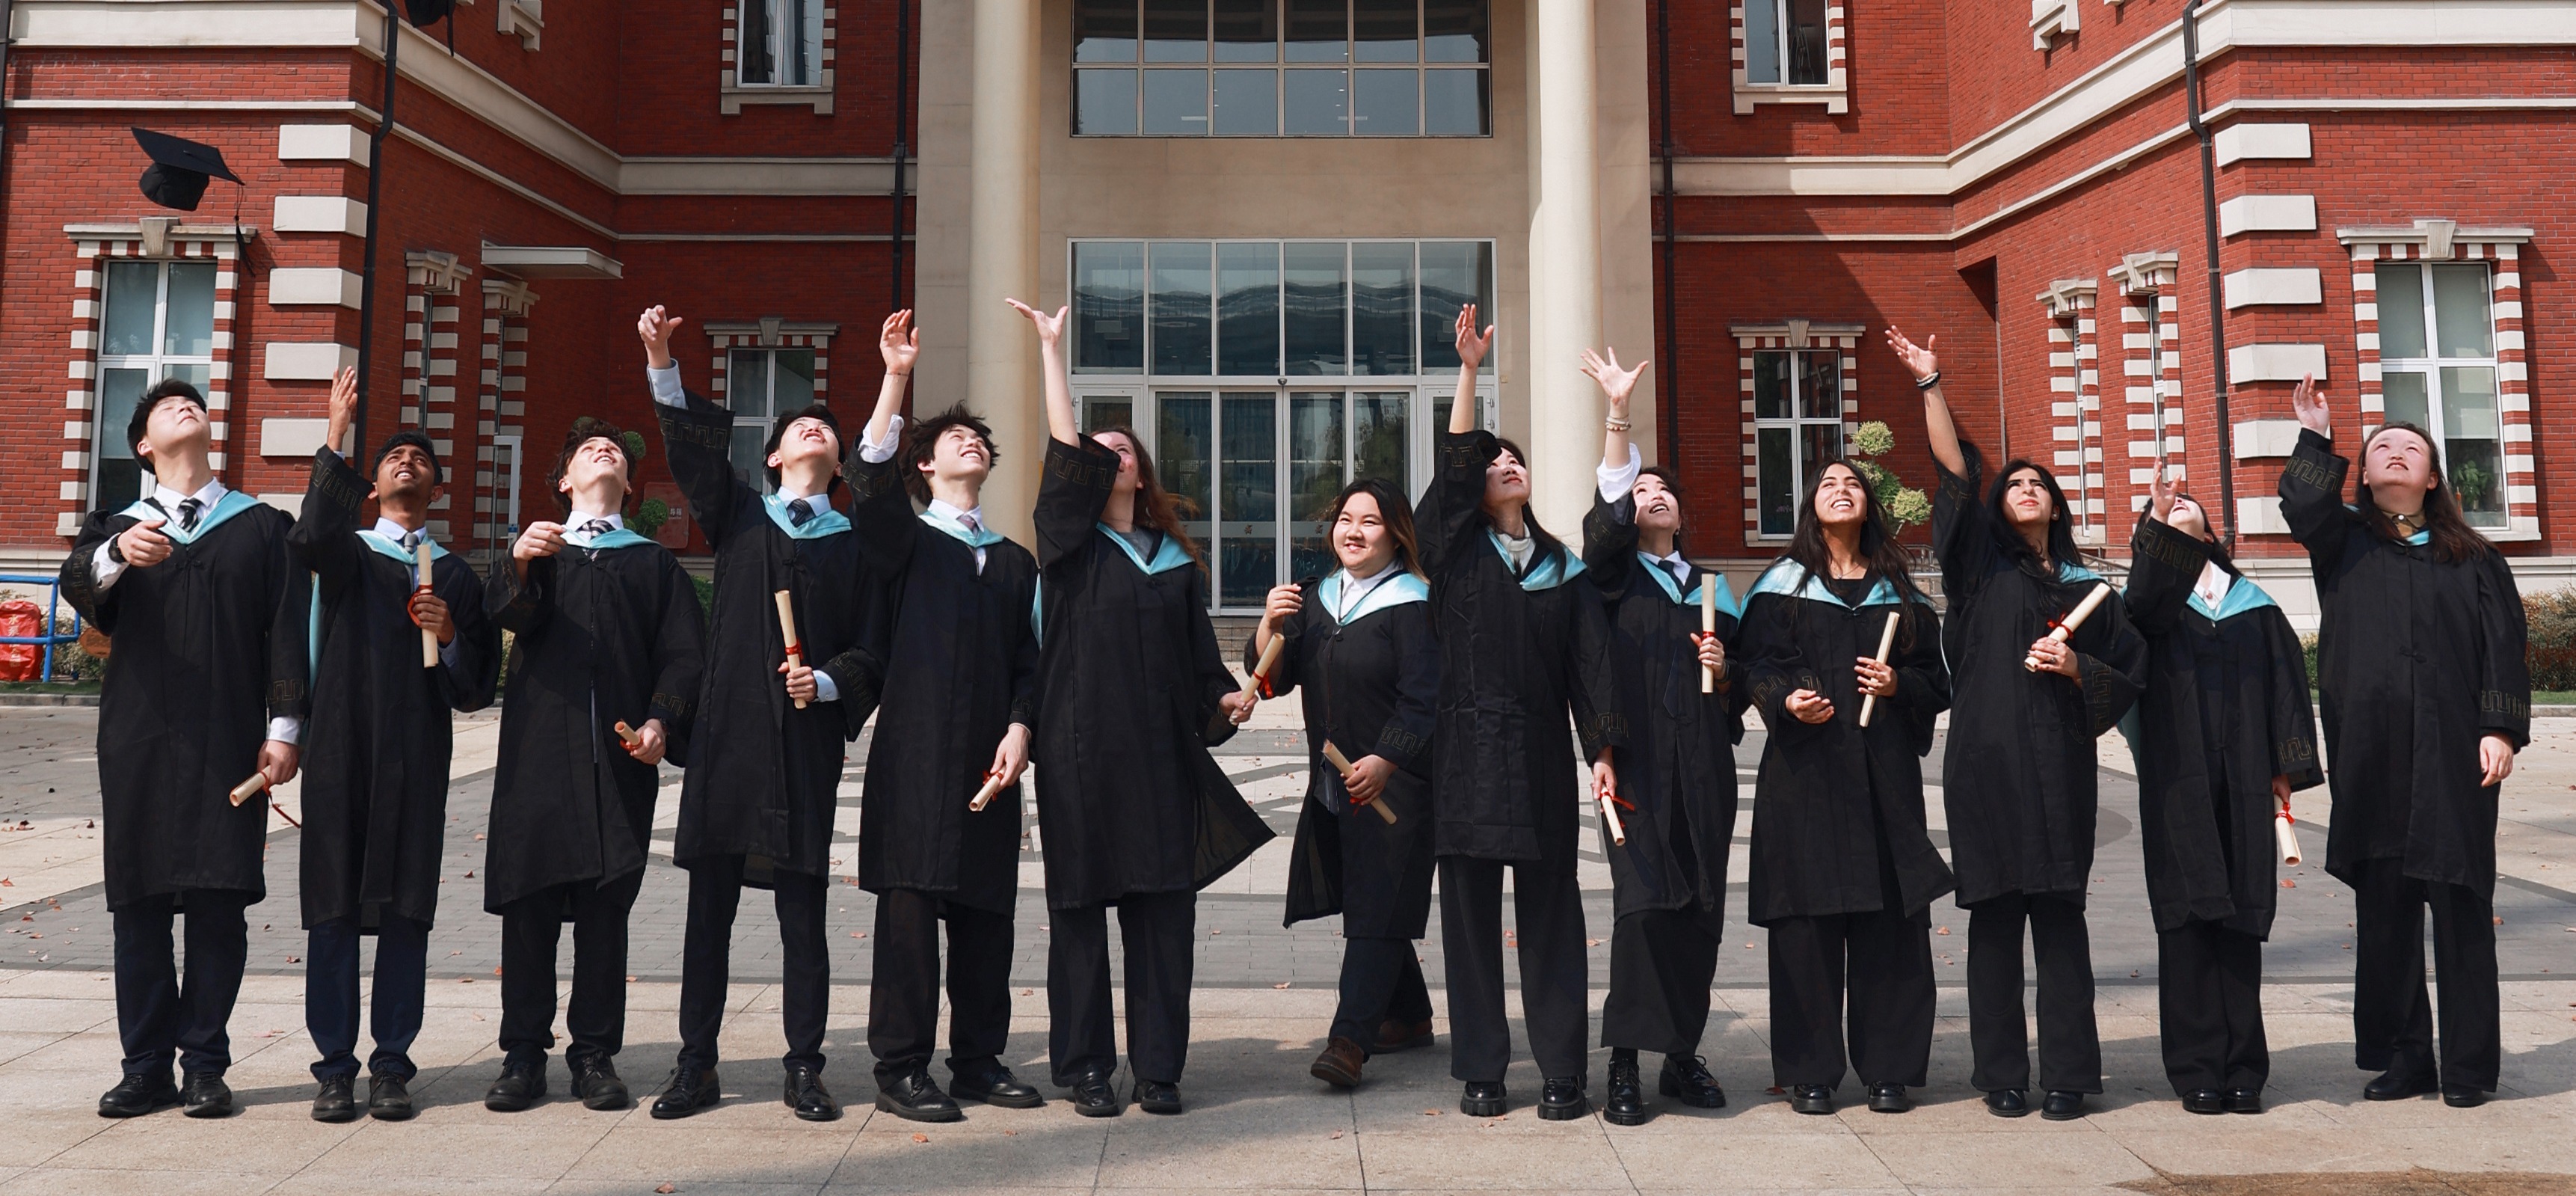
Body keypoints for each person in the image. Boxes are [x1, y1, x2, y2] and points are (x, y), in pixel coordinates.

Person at [1009, 298, 1270, 1117]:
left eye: (1121, 448)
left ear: (1142, 472)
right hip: (1079, 754)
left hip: (1159, 761)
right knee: (1080, 914)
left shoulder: (1175, 565)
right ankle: (1086, 1067)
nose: (1106, 455)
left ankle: (1159, 1067)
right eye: (1096, 450)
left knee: (1163, 916)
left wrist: (1226, 698)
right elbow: (1065, 456)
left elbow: (1201, 670)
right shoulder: (1067, 547)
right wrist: (1052, 353)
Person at [1893, 326, 2146, 1121]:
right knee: (1995, 922)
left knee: (2061, 922)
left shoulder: (2088, 591)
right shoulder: (1980, 569)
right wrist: (1931, 384)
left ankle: (2068, 1074)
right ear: (1999, 509)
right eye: (2015, 484)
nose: (2026, 488)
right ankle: (2000, 1073)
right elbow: (1953, 473)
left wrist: (2076, 669)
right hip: (1986, 766)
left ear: (2057, 505)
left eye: (2039, 483)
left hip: (2060, 770)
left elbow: (2127, 676)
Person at [639, 306, 874, 1121]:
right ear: (772, 456)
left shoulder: (852, 544)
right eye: (798, 426)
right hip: (728, 741)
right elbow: (690, 456)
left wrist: (830, 683)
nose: (814, 430)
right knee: (708, 915)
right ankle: (695, 1064)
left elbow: (871, 647)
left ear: (838, 462)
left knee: (803, 916)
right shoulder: (740, 516)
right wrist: (662, 360)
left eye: (826, 428)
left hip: (804, 745)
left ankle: (805, 1066)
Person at [62, 378, 309, 1120]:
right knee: (137, 904)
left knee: (217, 903)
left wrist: (285, 729)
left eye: (193, 402)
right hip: (138, 739)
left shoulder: (260, 527)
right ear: (143, 445)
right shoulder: (118, 525)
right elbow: (77, 585)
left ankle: (204, 1063)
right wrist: (115, 553)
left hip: (227, 740)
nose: (184, 405)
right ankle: (145, 1067)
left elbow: (287, 631)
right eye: (165, 406)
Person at [2280, 375, 2527, 1108]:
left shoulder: (2473, 558)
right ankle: (2404, 1057)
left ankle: (2468, 1067)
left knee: (2459, 905)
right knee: (2385, 913)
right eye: (2380, 447)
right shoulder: (2343, 545)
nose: (2394, 453)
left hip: (2454, 757)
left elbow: (2503, 649)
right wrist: (2315, 437)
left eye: (2410, 449)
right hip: (2372, 752)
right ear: (2363, 473)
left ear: (2432, 477)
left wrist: (2499, 728)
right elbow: (2301, 507)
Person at [840, 312, 1048, 1122]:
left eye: (981, 439)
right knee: (909, 915)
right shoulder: (905, 543)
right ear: (925, 463)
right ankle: (900, 1067)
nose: (973, 444)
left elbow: (1030, 661)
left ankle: (978, 1062)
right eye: (956, 438)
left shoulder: (1014, 561)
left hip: (990, 759)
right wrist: (896, 375)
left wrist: (1021, 727)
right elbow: (868, 481)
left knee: (987, 917)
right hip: (916, 756)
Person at [1420, 306, 1623, 1120]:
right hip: (1464, 757)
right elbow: (1452, 469)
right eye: (1492, 461)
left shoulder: (1562, 569)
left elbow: (1590, 667)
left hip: (1537, 758)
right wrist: (1469, 371)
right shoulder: (1451, 553)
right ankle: (1482, 1068)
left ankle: (1562, 1068)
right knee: (1469, 923)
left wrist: (1601, 749)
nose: (1505, 465)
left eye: (1515, 459)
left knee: (1551, 916)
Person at [479, 417, 707, 1114]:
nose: (604, 451)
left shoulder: (653, 564)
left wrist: (661, 720)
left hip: (618, 759)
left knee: (607, 912)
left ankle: (594, 1053)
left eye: (613, 450)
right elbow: (508, 618)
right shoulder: (538, 552)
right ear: (563, 481)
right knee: (530, 906)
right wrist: (519, 562)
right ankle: (523, 1053)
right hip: (538, 758)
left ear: (629, 486)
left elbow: (683, 655)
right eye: (586, 449)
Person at [293, 367, 502, 1122]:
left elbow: (476, 687)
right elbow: (311, 535)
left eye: (420, 459)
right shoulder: (348, 555)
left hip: (416, 757)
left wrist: (449, 636)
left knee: (408, 908)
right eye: (393, 458)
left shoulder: (456, 577)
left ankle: (391, 1066)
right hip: (341, 752)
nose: (407, 462)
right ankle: (333, 1068)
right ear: (373, 486)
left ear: (437, 490)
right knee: (332, 908)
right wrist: (336, 434)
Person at [1737, 461, 1952, 1117]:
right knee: (1805, 926)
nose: (1840, 489)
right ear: (1810, 504)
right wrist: (1784, 698)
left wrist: (1897, 684)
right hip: (1803, 778)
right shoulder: (1780, 587)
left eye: (1852, 483)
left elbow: (1935, 681)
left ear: (1868, 505)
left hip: (1883, 775)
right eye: (1828, 483)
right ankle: (1810, 1070)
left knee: (1891, 924)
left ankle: (1889, 1068)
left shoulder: (1901, 593)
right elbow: (1753, 665)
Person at [1574, 346, 1741, 1125]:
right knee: (1642, 907)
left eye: (1664, 489)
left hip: (1704, 766)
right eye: (1641, 490)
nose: (1653, 496)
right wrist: (1618, 416)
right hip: (1636, 763)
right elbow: (1608, 513)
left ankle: (1680, 1054)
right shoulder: (1609, 579)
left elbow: (1746, 685)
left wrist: (1727, 667)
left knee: (1699, 906)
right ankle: (1623, 1062)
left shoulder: (1714, 590)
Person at [2124, 468, 2321, 1115]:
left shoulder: (2253, 606)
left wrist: (2285, 766)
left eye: (2187, 504)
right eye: (2163, 509)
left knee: (2239, 914)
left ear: (2212, 533)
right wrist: (2156, 527)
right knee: (2185, 914)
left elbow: (2287, 688)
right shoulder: (2152, 606)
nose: (2176, 505)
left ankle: (2243, 1069)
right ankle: (2195, 1069)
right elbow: (2140, 607)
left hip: (2245, 777)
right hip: (2175, 778)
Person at [1251, 479, 1440, 1092]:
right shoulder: (1317, 598)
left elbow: (1424, 698)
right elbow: (1274, 678)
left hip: (1397, 787)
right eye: (1345, 519)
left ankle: (1349, 1040)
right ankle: (1409, 1015)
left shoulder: (1414, 603)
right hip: (1334, 785)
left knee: (1376, 903)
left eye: (1371, 521)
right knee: (1371, 901)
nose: (1353, 531)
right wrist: (1268, 622)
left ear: (1397, 534)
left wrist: (1388, 757)